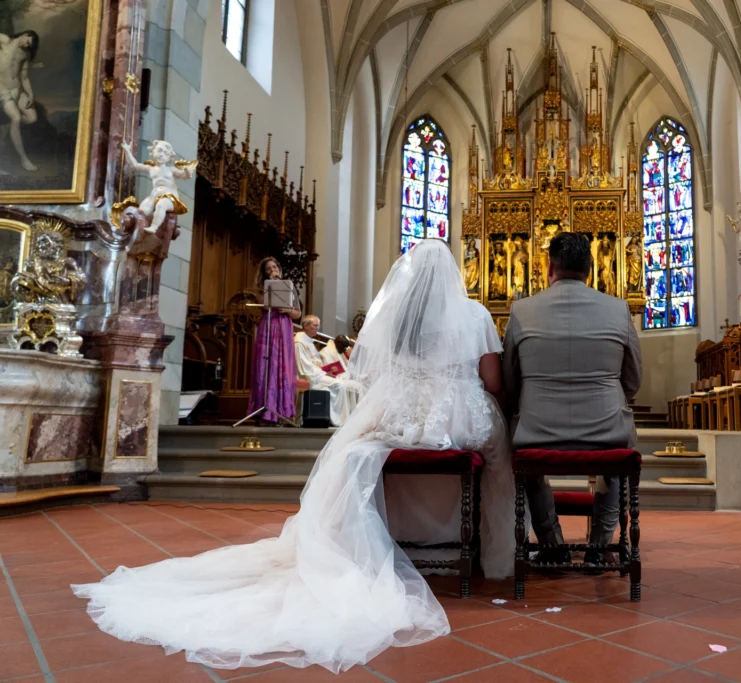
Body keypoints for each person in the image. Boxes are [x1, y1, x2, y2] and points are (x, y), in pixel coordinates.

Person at [72, 239, 517, 673]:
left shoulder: (399, 318)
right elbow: (493, 381)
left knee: (360, 449)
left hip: (398, 415)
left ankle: (387, 543)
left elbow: (375, 374)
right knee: (498, 452)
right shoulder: (475, 314)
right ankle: (492, 553)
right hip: (457, 417)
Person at [502, 231, 642, 565]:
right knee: (614, 468)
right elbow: (634, 380)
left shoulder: (521, 310)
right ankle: (598, 549)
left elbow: (509, 382)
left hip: (537, 433)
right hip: (606, 432)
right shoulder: (618, 309)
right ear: (590, 270)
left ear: (549, 268)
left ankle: (553, 546)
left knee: (526, 468)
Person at [247, 257, 301, 425]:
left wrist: (289, 310)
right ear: (264, 273)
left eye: (275, 267)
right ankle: (265, 411)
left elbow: (298, 314)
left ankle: (282, 412)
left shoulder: (289, 287)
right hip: (269, 326)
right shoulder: (261, 289)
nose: (272, 270)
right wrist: (272, 284)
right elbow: (264, 306)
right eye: (268, 269)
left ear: (279, 268)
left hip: (284, 327)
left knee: (283, 366)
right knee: (267, 366)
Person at [294, 315, 361, 427]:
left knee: (342, 383)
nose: (318, 328)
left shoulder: (309, 342)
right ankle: (338, 420)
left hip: (317, 374)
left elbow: (316, 364)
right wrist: (324, 373)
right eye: (315, 325)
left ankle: (344, 417)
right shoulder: (299, 342)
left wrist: (326, 371)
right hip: (309, 377)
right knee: (340, 385)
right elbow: (305, 368)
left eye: (318, 326)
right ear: (306, 326)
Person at [0, 31, 39, 172]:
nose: (27, 45)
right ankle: (24, 159)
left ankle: (6, 126)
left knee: (32, 118)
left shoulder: (24, 54)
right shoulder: (5, 40)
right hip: (2, 89)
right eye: (28, 41)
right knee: (16, 117)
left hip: (16, 90)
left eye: (30, 45)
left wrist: (30, 94)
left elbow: (24, 78)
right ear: (25, 34)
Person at [320, 333, 362, 417]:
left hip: (342, 378)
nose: (344, 350)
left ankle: (355, 414)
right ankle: (346, 415)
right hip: (333, 378)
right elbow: (328, 369)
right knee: (354, 386)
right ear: (338, 344)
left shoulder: (339, 352)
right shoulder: (326, 351)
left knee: (358, 386)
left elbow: (347, 369)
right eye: (344, 348)